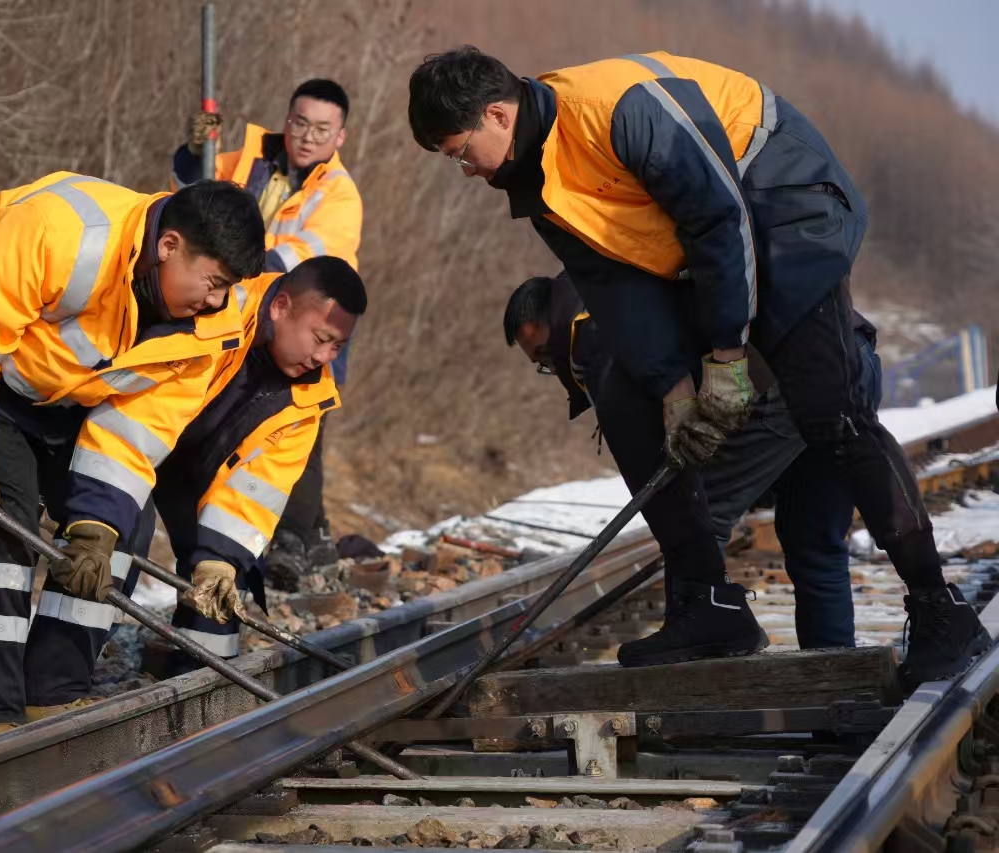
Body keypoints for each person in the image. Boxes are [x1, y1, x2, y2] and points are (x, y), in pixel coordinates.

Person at [409, 48, 988, 687]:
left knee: (832, 413)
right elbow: (611, 286)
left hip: (787, 206)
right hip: (701, 247)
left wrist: (727, 356)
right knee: (623, 389)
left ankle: (939, 607)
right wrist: (672, 386)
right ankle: (709, 604)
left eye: (459, 151)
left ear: (496, 114)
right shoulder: (536, 177)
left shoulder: (617, 108)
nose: (463, 169)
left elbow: (721, 216)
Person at [0, 173, 265, 739]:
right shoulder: (63, 232)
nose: (218, 300)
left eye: (228, 287)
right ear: (169, 246)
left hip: (74, 395)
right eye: (213, 282)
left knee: (119, 531)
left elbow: (137, 427)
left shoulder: (212, 326)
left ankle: (50, 693)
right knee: (2, 518)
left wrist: (94, 524)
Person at [506, 273, 885, 649]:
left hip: (787, 374)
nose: (553, 369)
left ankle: (693, 632)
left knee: (699, 512)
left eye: (543, 355)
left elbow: (659, 482)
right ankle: (832, 672)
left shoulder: (590, 330)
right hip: (848, 350)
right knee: (815, 542)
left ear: (541, 321)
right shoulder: (608, 285)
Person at [172, 79, 363, 592]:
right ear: (287, 118)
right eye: (299, 123)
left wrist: (232, 254)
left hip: (301, 325)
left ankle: (294, 540)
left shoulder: (340, 197)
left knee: (297, 434)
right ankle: (240, 537)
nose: (306, 136)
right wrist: (195, 151)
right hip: (234, 319)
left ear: (340, 136)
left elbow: (301, 264)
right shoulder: (251, 161)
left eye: (321, 129)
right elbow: (198, 196)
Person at [143, 256, 366, 674]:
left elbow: (259, 487)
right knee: (116, 540)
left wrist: (220, 557)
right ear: (280, 307)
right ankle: (57, 692)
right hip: (140, 442)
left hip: (202, 473)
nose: (324, 356)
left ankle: (200, 684)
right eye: (321, 338)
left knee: (227, 572)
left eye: (337, 346)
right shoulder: (218, 312)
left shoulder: (310, 395)